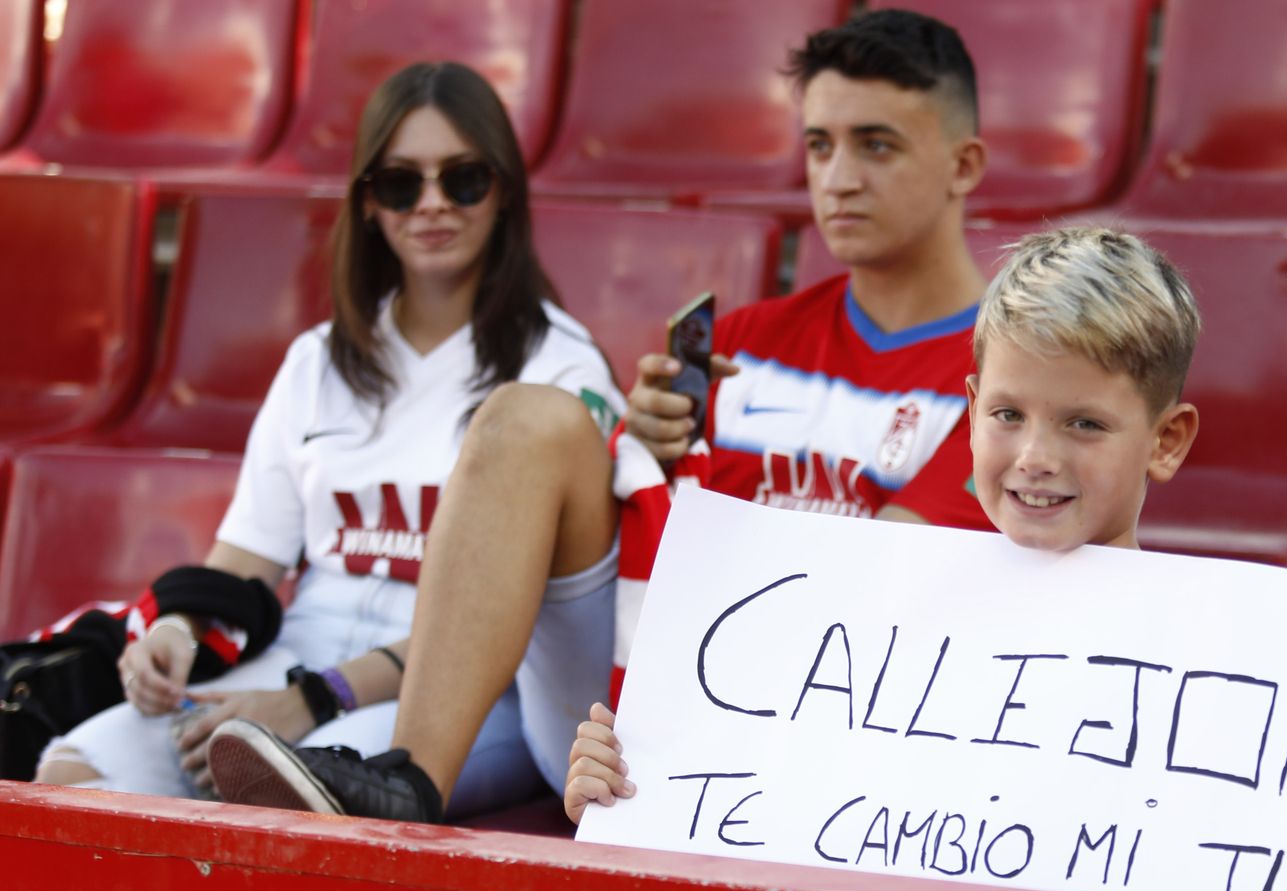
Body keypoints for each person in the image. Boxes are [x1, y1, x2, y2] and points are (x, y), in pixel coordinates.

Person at [209, 8, 1000, 821]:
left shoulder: (1007, 378)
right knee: (528, 419)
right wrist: (640, 464)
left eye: (877, 144)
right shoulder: (737, 341)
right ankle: (410, 780)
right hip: (618, 724)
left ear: (964, 164)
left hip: (823, 734)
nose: (838, 177)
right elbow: (623, 553)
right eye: (819, 145)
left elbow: (877, 591)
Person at [565, 226, 1287, 891]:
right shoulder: (853, 629)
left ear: (1167, 440)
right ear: (969, 412)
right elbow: (748, 826)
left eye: (1085, 423)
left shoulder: (1228, 665)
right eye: (1007, 415)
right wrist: (617, 794)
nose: (1036, 455)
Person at [36, 61, 622, 820]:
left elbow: (520, 627)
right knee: (66, 775)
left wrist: (315, 700)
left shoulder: (561, 370)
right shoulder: (318, 358)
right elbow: (246, 559)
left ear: (504, 189)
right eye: (401, 184)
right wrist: (178, 631)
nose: (432, 204)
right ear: (369, 203)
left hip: (462, 693)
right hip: (295, 662)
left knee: (305, 797)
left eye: (464, 178)